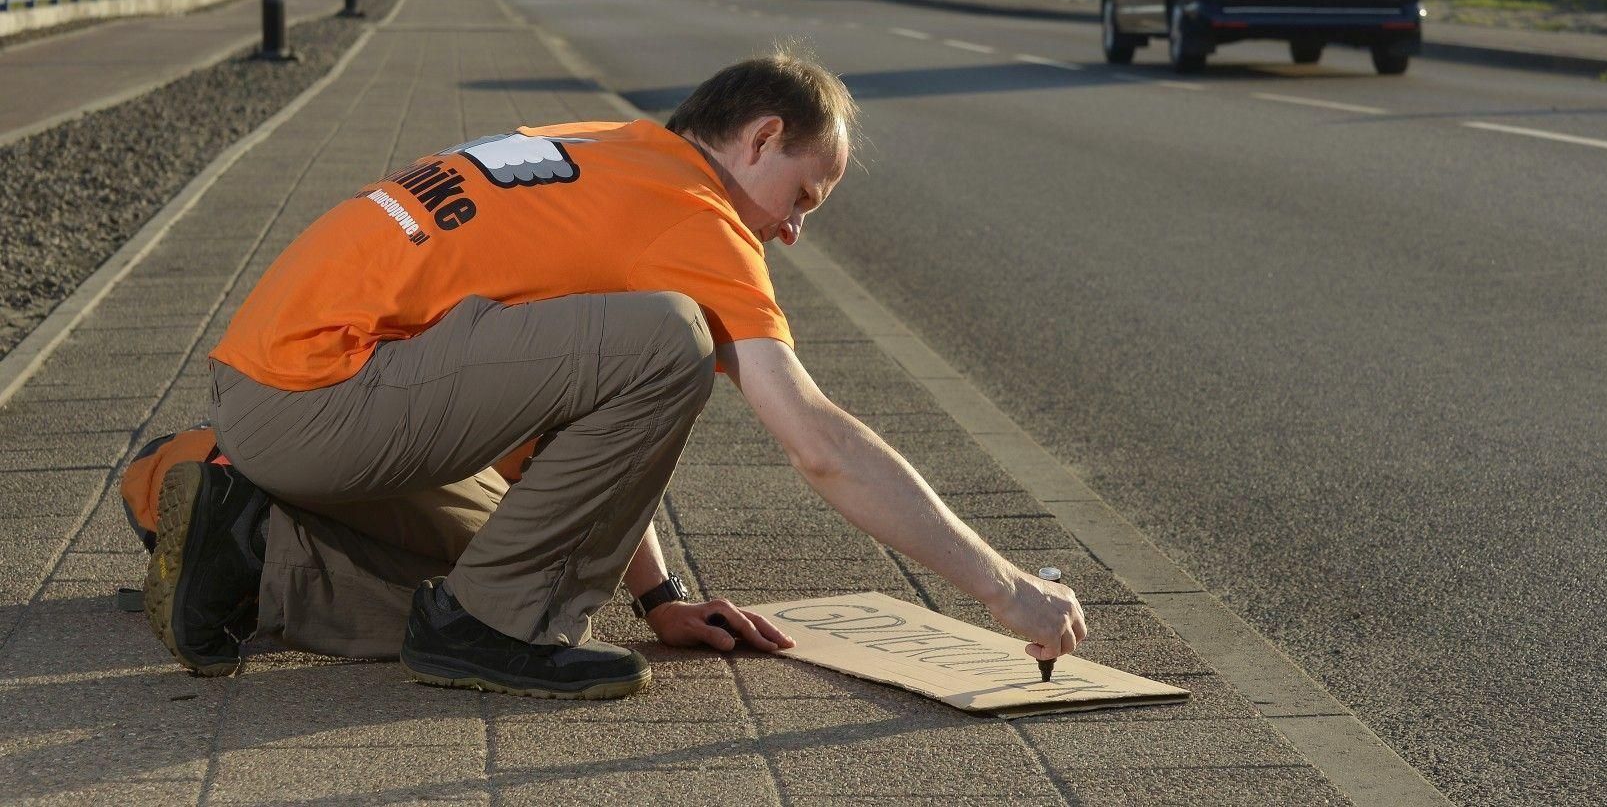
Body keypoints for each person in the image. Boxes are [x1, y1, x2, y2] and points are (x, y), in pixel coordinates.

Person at [144, 52, 1087, 700]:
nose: (794, 230)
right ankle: (492, 630)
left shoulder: (608, 147)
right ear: (760, 138)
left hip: (271, 387)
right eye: (803, 194)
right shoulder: (698, 221)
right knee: (667, 341)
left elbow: (566, 421)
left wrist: (658, 595)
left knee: (517, 547)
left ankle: (243, 541)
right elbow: (817, 444)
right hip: (321, 403)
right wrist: (1005, 588)